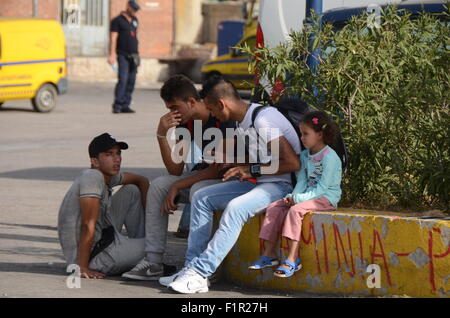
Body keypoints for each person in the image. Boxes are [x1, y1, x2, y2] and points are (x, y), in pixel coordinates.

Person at [162, 76, 301, 294]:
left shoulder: (263, 120)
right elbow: (262, 158)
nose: (213, 115)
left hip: (283, 186)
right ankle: (190, 268)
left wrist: (250, 170)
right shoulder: (241, 121)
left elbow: (291, 163)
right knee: (202, 197)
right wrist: (237, 164)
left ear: (221, 104)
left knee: (235, 209)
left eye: (212, 109)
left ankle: (201, 272)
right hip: (263, 181)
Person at [121, 74, 236, 281]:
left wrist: (179, 185)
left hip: (230, 177)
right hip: (204, 174)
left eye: (175, 107)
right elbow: (175, 170)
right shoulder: (186, 123)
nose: (172, 113)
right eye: (169, 109)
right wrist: (161, 135)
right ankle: (153, 261)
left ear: (191, 101)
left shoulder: (220, 116)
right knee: (159, 185)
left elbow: (220, 168)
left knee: (196, 189)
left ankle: (200, 266)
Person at [249, 110, 342, 278]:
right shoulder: (305, 156)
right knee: (275, 208)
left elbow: (322, 188)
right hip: (307, 196)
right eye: (301, 133)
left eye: (306, 134)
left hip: (326, 197)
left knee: (295, 211)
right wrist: (293, 196)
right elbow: (302, 181)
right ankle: (269, 254)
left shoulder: (330, 157)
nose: (302, 138)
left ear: (320, 134)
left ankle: (292, 258)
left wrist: (298, 200)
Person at [57, 133, 149, 279]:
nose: (117, 158)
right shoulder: (93, 177)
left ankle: (140, 246)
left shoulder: (106, 176)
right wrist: (83, 267)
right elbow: (88, 225)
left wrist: (148, 211)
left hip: (105, 239)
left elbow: (142, 181)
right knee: (155, 248)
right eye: (109, 154)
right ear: (95, 161)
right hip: (95, 256)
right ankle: (145, 254)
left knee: (132, 190)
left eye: (118, 153)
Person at [108, 0, 141, 114]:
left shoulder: (135, 20)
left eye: (137, 10)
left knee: (132, 80)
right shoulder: (117, 21)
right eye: (134, 9)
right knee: (123, 79)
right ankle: (117, 105)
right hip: (122, 55)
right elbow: (113, 38)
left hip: (134, 55)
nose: (135, 11)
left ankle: (125, 105)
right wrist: (112, 54)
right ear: (128, 6)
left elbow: (135, 36)